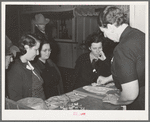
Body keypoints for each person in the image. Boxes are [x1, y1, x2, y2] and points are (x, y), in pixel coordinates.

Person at [97, 6, 145, 110]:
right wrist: (108, 79)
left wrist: (118, 101)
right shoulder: (140, 35)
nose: (105, 36)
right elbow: (135, 69)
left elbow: (130, 95)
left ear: (110, 27)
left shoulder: (122, 49)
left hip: (140, 103)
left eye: (104, 31)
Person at [7, 34, 46, 101]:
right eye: (36, 49)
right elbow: (16, 100)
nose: (37, 53)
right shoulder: (16, 69)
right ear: (26, 48)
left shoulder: (31, 64)